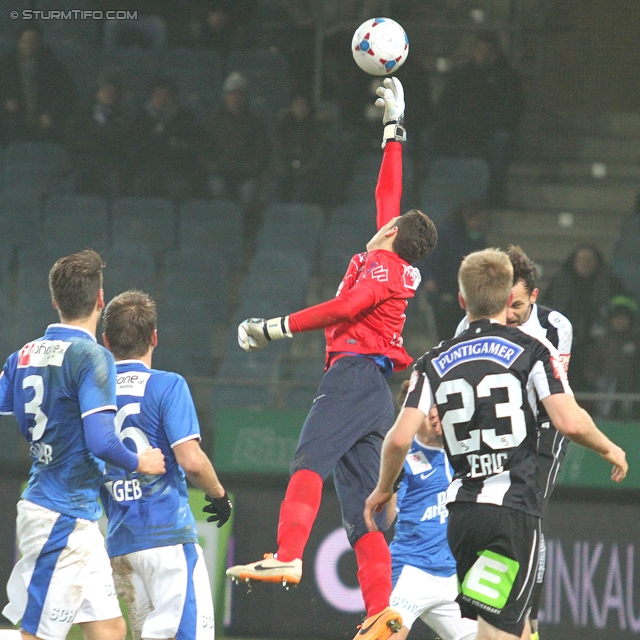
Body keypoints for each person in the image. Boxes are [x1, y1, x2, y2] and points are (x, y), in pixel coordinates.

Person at [225, 77, 438, 640]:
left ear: (392, 235)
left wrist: (275, 327)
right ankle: (380, 613)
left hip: (351, 377)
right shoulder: (390, 257)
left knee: (308, 460)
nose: (382, 218)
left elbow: (350, 305)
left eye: (387, 222)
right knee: (362, 511)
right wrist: (395, 132)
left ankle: (289, 553)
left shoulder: (384, 269)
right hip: (373, 392)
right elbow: (386, 195)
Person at [364, 248, 627, 640]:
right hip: (511, 515)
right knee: (501, 633)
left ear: (461, 301)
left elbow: (399, 437)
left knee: (487, 631)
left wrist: (383, 489)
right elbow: (569, 421)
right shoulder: (534, 350)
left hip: (463, 517)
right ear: (508, 299)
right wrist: (609, 448)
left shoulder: (433, 359)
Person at [0, 249, 165, 640]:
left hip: (76, 515)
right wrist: (141, 462)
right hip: (59, 516)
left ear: (55, 300)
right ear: (100, 299)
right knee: (38, 634)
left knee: (109, 629)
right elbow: (103, 441)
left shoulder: (22, 355)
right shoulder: (93, 357)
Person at [454, 246, 573, 640]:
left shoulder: (556, 327)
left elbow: (554, 397)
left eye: (518, 305)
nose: (511, 313)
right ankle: (503, 620)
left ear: (533, 298)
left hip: (543, 430)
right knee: (497, 517)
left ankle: (527, 621)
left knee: (529, 513)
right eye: (506, 303)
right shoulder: (468, 327)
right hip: (497, 436)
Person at [100, 290, 232, 640]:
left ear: (106, 341)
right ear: (154, 337)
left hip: (120, 544)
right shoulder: (168, 385)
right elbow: (191, 460)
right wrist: (219, 494)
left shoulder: (92, 392)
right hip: (165, 539)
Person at [387, 382, 477, 640]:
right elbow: (385, 520)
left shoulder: (464, 451)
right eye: (427, 408)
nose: (435, 413)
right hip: (410, 573)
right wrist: (391, 482)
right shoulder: (403, 457)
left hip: (453, 578)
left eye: (438, 405)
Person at [431, 30, 524, 207]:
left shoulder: (508, 78)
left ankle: (493, 199)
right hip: (460, 134)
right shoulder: (461, 75)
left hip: (489, 135)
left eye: (488, 50)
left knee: (501, 142)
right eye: (480, 50)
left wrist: (484, 128)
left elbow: (511, 113)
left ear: (496, 52)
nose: (483, 55)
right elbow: (445, 108)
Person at [541, 243, 626, 392]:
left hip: (600, 339)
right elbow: (546, 308)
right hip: (564, 339)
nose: (584, 263)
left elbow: (623, 304)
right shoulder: (560, 282)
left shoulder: (609, 282)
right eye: (581, 259)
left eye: (589, 260)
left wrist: (621, 316)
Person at [420, 200, 488, 341]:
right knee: (444, 332)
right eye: (477, 219)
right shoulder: (446, 234)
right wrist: (428, 279)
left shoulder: (476, 237)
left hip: (464, 292)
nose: (479, 224)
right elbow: (428, 257)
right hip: (443, 289)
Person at [130, 78, 208, 200]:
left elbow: (189, 147)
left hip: (177, 170)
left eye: (167, 95)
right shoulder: (141, 119)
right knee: (140, 188)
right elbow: (139, 147)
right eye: (158, 95)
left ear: (174, 98)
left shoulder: (186, 119)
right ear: (151, 97)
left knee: (179, 189)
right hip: (147, 170)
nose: (162, 99)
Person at [205, 72, 271, 210]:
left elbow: (262, 152)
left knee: (249, 193)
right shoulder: (214, 121)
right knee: (216, 188)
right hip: (221, 172)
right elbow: (205, 149)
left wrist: (248, 168)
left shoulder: (255, 121)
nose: (236, 98)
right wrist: (215, 166)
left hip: (247, 174)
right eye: (232, 94)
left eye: (240, 94)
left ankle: (245, 228)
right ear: (225, 96)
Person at [0, 25, 76, 143]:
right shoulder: (6, 66)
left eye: (33, 41)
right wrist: (5, 103)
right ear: (18, 42)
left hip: (44, 119)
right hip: (13, 119)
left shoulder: (52, 66)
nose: (29, 44)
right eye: (25, 40)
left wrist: (52, 114)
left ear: (39, 43)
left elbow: (66, 93)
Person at [68, 77, 131, 197]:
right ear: (97, 92)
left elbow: (122, 141)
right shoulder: (81, 114)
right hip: (84, 161)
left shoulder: (123, 117)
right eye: (105, 90)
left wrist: (99, 135)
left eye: (112, 92)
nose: (108, 94)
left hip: (111, 164)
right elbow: (73, 137)